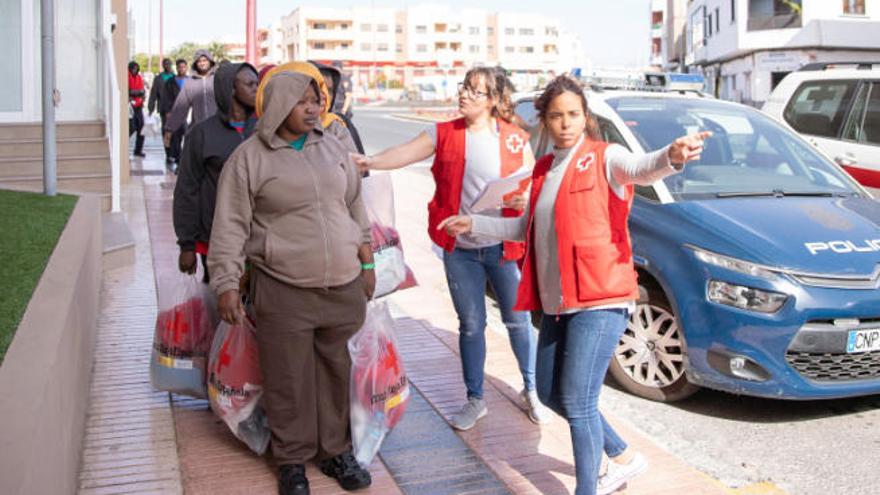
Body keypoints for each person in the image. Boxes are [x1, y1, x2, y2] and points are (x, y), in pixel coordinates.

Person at [437, 75, 711, 495]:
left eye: (573, 114)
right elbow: (524, 227)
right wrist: (474, 222)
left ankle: (591, 485)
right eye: (556, 116)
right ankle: (620, 455)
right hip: (558, 302)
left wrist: (672, 155)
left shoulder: (605, 157)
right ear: (545, 121)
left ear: (585, 117)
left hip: (601, 299)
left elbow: (641, 168)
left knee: (580, 404)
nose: (566, 123)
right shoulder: (544, 169)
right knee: (548, 392)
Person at [352, 67, 551, 430]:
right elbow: (406, 152)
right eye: (464, 88)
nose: (465, 96)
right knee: (472, 325)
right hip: (460, 248)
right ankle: (475, 399)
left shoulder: (513, 139)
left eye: (476, 92)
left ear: (493, 100)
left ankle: (532, 389)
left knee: (518, 322)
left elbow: (528, 183)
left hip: (502, 245)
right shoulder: (444, 133)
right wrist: (369, 162)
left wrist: (523, 200)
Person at [209, 70, 374, 495]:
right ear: (279, 104)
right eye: (302, 101)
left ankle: (336, 452)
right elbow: (229, 225)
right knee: (288, 379)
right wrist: (226, 282)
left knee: (337, 373)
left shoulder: (333, 147)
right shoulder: (250, 158)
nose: (313, 107)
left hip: (342, 285)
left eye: (316, 99)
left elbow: (355, 203)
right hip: (283, 288)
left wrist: (367, 258)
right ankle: (292, 462)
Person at [174, 61, 258, 285]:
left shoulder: (264, 130)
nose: (256, 89)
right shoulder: (201, 134)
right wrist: (187, 245)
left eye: (257, 84)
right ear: (231, 88)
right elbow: (187, 190)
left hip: (260, 239)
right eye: (250, 84)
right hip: (217, 240)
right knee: (222, 306)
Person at [256, 62, 359, 154]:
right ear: (278, 96)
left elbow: (354, 170)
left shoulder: (336, 129)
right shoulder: (253, 147)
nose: (323, 96)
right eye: (311, 89)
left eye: (326, 89)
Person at [310, 61, 365, 154]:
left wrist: (343, 110)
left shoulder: (339, 124)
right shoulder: (282, 130)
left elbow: (358, 165)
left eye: (330, 90)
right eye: (319, 88)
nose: (325, 95)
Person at [164, 49, 217, 145]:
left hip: (217, 129)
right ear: (196, 64)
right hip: (198, 130)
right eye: (199, 61)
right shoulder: (190, 82)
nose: (202, 63)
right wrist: (169, 129)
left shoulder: (217, 79)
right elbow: (180, 106)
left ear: (210, 62)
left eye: (205, 60)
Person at [147, 58, 176, 165]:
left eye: (169, 64)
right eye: (165, 64)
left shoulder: (175, 77)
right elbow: (153, 94)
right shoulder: (158, 78)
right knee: (166, 131)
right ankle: (168, 153)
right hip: (164, 109)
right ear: (163, 65)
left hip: (176, 109)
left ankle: (175, 153)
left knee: (176, 132)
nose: (167, 65)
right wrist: (151, 108)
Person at [163, 59, 190, 169]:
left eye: (183, 67)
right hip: (176, 114)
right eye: (179, 67)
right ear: (177, 68)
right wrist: (168, 112)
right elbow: (166, 98)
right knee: (176, 139)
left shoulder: (191, 81)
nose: (181, 69)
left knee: (188, 137)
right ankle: (179, 162)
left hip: (188, 114)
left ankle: (187, 160)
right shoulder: (170, 82)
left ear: (186, 68)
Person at [128, 61, 146, 158]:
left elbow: (142, 91)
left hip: (139, 106)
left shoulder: (139, 77)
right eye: (133, 68)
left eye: (136, 68)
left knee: (142, 129)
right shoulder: (127, 76)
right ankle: (122, 146)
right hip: (130, 107)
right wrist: (136, 93)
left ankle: (138, 150)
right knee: (131, 128)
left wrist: (139, 93)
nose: (135, 70)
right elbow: (129, 91)